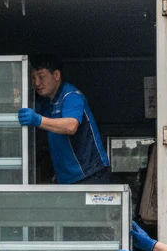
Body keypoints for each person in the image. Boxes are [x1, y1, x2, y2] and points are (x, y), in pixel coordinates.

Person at [17, 54, 110, 185]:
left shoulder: (71, 96)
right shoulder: (47, 103)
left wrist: (37, 120)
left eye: (41, 77)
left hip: (89, 174)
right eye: (33, 78)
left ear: (56, 75)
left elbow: (71, 126)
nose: (36, 83)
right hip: (67, 178)